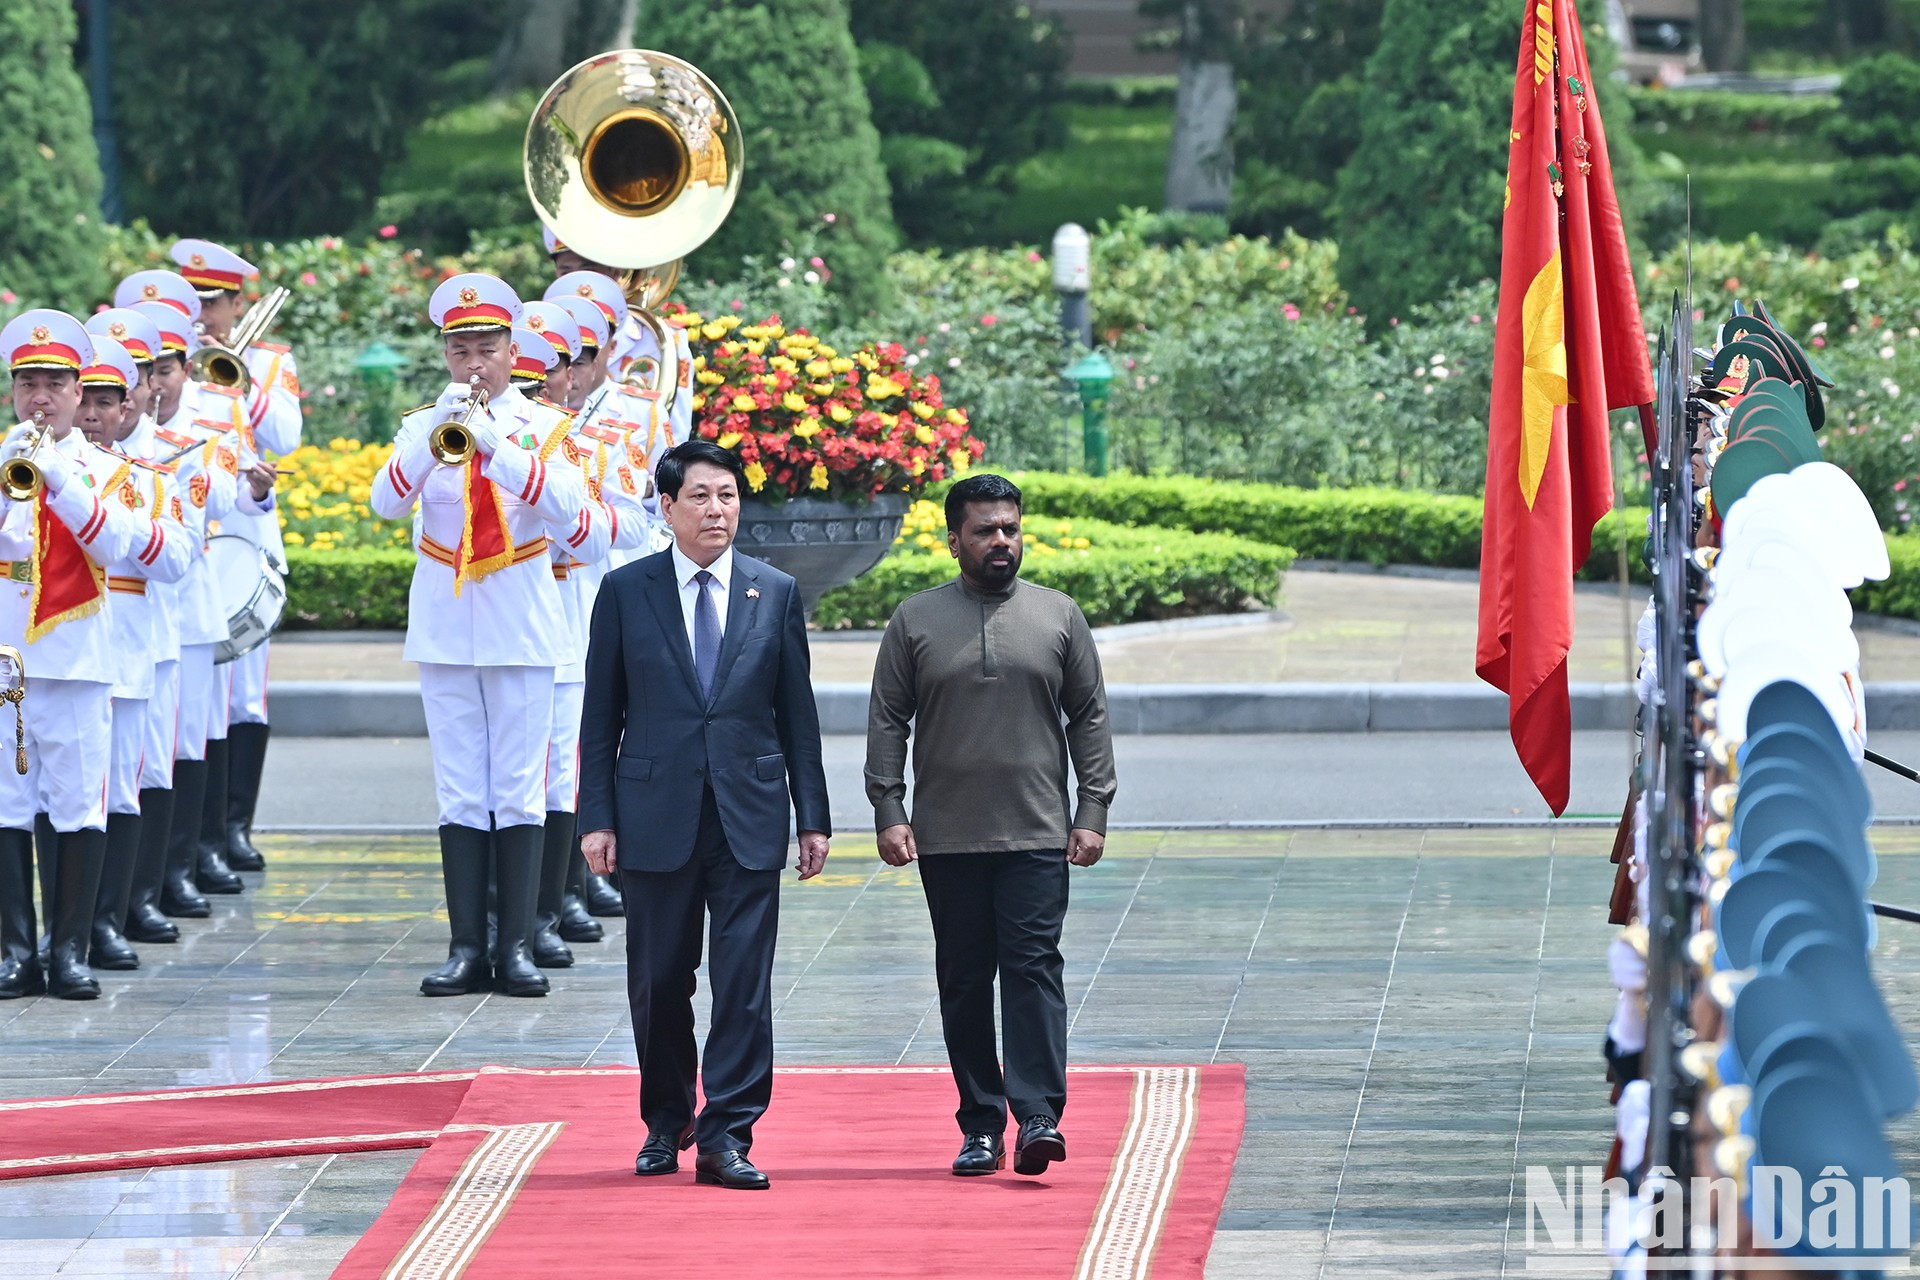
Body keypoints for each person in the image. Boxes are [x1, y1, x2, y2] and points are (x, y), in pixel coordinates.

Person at [577, 439, 831, 1190]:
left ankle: (728, 1134)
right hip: (653, 813)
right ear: (666, 507)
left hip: (749, 812)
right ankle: (666, 1120)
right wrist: (597, 816)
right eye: (700, 496)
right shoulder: (627, 592)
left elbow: (798, 716)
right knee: (659, 980)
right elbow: (599, 716)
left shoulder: (773, 591)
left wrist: (811, 817)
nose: (716, 510)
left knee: (743, 981)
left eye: (727, 495)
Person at [864, 472, 1118, 1178]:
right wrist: (889, 808)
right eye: (985, 530)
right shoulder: (915, 621)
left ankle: (1037, 1115)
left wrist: (1092, 809)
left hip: (1037, 832)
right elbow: (889, 718)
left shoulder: (1059, 616)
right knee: (966, 980)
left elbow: (1088, 716)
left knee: (1033, 970)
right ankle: (981, 1122)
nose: (1001, 540)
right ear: (955, 541)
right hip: (947, 837)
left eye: (1010, 527)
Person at [368, 273, 585, 998]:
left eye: (486, 349)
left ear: (512, 349)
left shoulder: (547, 427)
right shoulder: (423, 421)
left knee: (519, 790)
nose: (473, 364)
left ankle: (517, 944)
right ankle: (466, 946)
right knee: (461, 790)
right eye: (460, 349)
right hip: (444, 625)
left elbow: (568, 510)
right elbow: (384, 500)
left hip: (520, 623)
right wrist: (436, 440)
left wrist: (499, 445)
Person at [0, 312, 150, 999]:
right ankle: (14, 952)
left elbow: (119, 546)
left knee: (77, 808)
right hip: (9, 663)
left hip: (82, 657)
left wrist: (57, 477)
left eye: (55, 384)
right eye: (28, 383)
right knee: (6, 805)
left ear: (75, 389)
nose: (41, 397)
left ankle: (70, 952)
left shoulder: (103, 468)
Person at [170, 238, 302, 880]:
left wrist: (235, 377)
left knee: (244, 694)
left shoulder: (270, 361)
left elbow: (286, 439)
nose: (202, 315)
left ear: (236, 303)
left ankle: (233, 827)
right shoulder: (162, 359)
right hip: (183, 532)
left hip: (244, 534)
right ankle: (195, 841)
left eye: (213, 302)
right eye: (191, 301)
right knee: (198, 695)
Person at [66, 336, 192, 971]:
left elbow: (176, 559)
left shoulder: (147, 481)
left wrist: (123, 526)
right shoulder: (31, 465)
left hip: (123, 648)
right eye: (83, 398)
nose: (91, 412)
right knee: (57, 795)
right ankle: (59, 928)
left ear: (127, 410)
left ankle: (106, 921)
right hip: (58, 651)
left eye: (106, 401)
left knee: (120, 789)